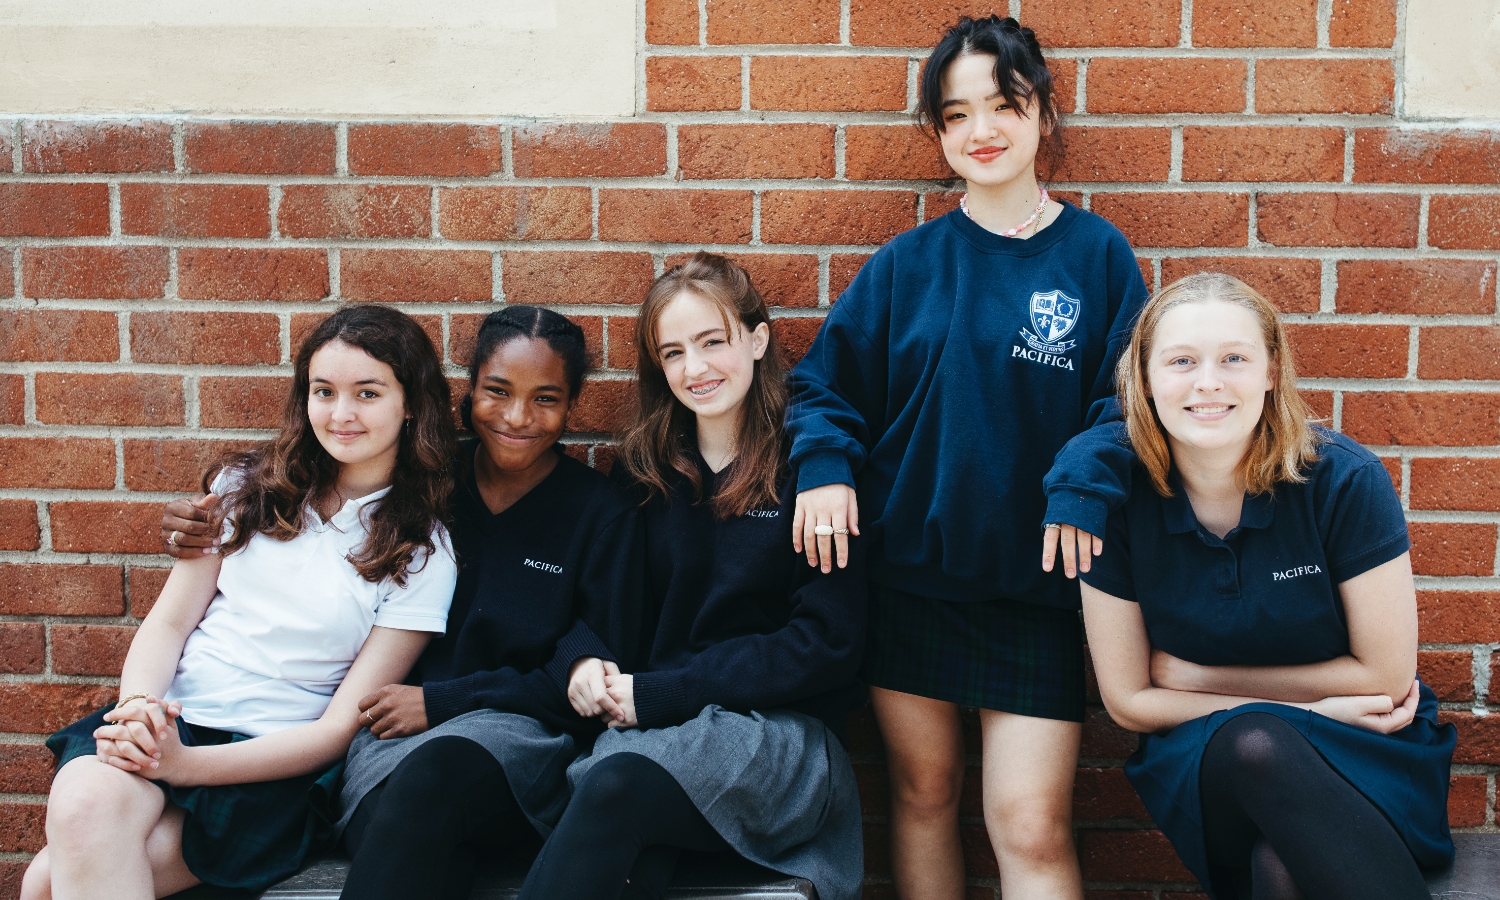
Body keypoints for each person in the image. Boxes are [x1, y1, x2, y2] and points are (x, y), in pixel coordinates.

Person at [785, 15, 1148, 900]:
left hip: (1037, 587)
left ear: (1043, 114)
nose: (981, 130)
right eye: (957, 114)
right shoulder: (907, 265)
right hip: (910, 579)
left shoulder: (1097, 256)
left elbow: (1129, 402)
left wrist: (1084, 482)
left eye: (1004, 105)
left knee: (1029, 822)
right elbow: (821, 387)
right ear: (938, 131)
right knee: (922, 796)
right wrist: (824, 466)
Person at [161, 307, 643, 900]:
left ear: (572, 405)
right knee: (419, 818)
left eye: (545, 399)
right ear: (467, 393)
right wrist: (199, 526)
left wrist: (443, 703)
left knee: (435, 783)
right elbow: (300, 507)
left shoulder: (600, 514)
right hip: (386, 742)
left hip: (516, 738)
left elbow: (592, 674)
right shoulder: (425, 482)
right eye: (497, 391)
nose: (517, 416)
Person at [23, 305, 459, 900]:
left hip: (269, 761)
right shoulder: (244, 489)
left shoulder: (422, 550)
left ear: (411, 404)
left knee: (47, 882)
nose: (341, 414)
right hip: (173, 718)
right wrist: (140, 712)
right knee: (80, 810)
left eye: (368, 393)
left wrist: (182, 766)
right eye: (324, 391)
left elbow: (337, 729)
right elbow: (169, 623)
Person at [1076, 273, 1455, 899]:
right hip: (1212, 755)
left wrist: (1195, 677)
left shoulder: (1343, 480)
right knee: (1257, 744)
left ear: (1272, 371)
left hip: (1365, 743)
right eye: (1181, 361)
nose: (1208, 382)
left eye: (1234, 358)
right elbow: (1130, 701)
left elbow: (1387, 680)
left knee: (1278, 866)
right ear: (1144, 377)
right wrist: (1306, 710)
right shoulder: (1113, 504)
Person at [518, 252, 868, 900]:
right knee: (633, 863)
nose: (696, 368)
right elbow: (599, 606)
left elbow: (828, 643)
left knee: (616, 786)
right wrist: (582, 659)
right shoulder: (645, 471)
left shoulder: (813, 471)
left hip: (779, 736)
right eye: (674, 352)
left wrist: (661, 693)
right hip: (661, 736)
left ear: (757, 340)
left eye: (713, 342)